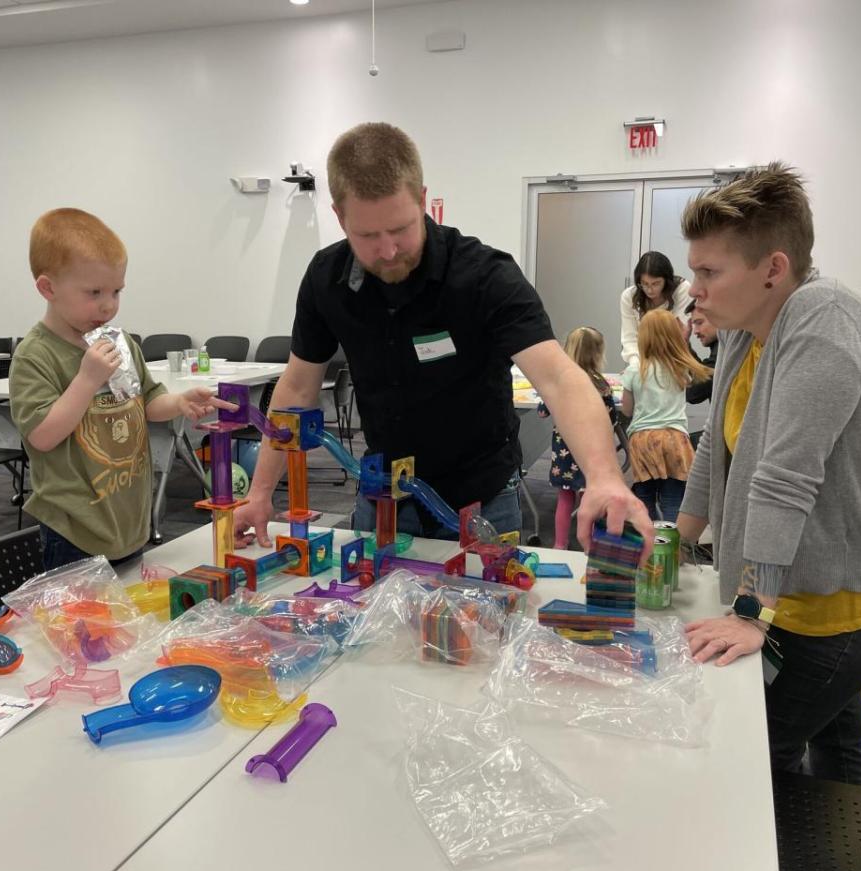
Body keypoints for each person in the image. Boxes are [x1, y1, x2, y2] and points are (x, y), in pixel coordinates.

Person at [233, 122, 650, 552]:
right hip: (381, 500)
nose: (389, 250)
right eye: (368, 236)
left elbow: (560, 379)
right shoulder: (327, 279)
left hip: (482, 500)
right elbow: (298, 387)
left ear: (422, 198)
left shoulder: (484, 276)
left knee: (485, 615)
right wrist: (260, 491)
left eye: (400, 229)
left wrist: (604, 477)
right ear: (339, 217)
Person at [676, 163, 861, 786]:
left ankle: (790, 869)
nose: (695, 290)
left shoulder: (822, 320)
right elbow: (718, 443)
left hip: (845, 604)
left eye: (709, 272)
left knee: (750, 750)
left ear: (772, 268)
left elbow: (784, 477)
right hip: (797, 592)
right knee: (836, 738)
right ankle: (841, 862)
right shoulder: (749, 331)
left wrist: (748, 613)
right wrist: (677, 538)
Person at [9, 208, 234, 570]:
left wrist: (177, 401)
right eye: (94, 292)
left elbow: (145, 401)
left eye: (116, 291)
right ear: (48, 288)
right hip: (75, 529)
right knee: (80, 625)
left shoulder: (121, 342)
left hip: (128, 519)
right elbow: (42, 436)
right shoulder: (36, 354)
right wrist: (86, 380)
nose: (109, 305)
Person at [620, 309, 710, 523]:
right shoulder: (681, 368)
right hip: (675, 439)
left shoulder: (635, 369)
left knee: (644, 498)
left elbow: (627, 409)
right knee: (673, 499)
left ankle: (648, 545)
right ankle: (673, 548)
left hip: (643, 441)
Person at [538, 326, 614, 549]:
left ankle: (560, 545)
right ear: (598, 353)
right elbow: (611, 420)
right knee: (589, 500)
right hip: (591, 454)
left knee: (564, 498)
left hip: (564, 453)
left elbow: (542, 412)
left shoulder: (560, 383)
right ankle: (589, 547)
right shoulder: (601, 385)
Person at [619, 251, 692, 365]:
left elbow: (678, 334)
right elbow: (630, 339)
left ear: (666, 281)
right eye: (644, 283)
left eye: (656, 283)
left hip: (674, 361)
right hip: (641, 362)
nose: (649, 290)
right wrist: (636, 366)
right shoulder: (629, 296)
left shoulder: (682, 289)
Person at [684, 299, 718, 406]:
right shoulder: (720, 349)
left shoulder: (725, 352)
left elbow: (693, 391)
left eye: (699, 323)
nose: (695, 331)